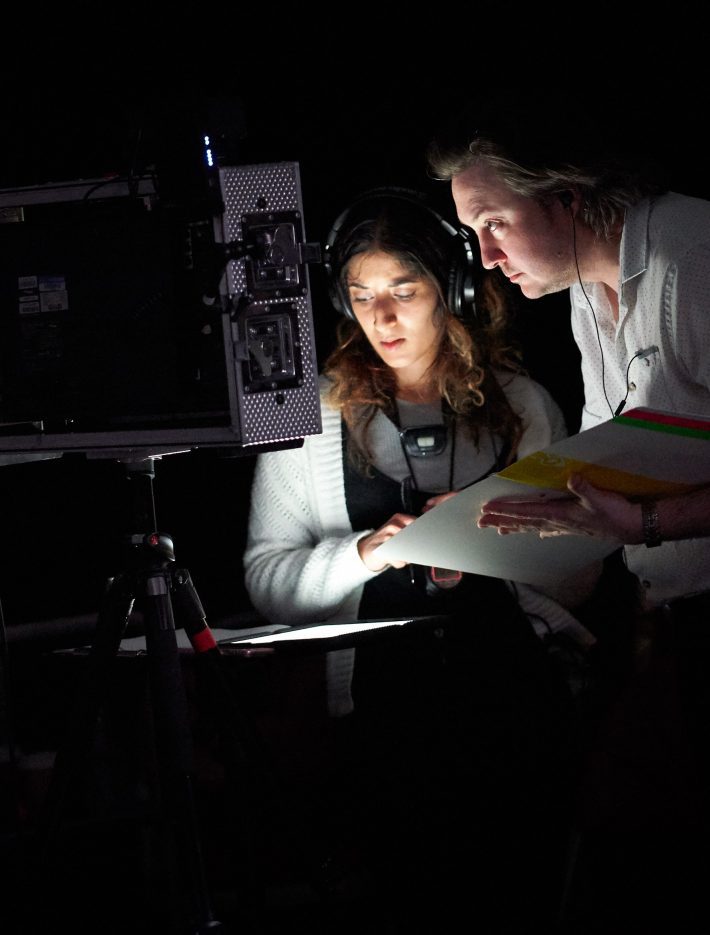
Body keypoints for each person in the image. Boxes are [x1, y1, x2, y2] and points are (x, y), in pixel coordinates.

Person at [242, 187, 607, 932]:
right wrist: (366, 553)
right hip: (381, 721)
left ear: (452, 291)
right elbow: (266, 580)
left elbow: (581, 577)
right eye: (362, 296)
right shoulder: (313, 419)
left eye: (403, 292)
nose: (382, 318)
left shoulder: (524, 405)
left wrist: (488, 537)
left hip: (516, 704)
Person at [426, 108, 710, 927]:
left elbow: (639, 509)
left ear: (566, 195)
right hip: (678, 621)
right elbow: (607, 470)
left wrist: (647, 525)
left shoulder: (691, 255)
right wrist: (486, 524)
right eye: (472, 232)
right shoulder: (587, 293)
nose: (485, 256)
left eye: (493, 222)